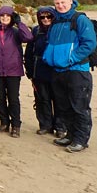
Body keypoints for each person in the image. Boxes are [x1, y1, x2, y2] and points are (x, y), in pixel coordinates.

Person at [43, 0, 96, 153]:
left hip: (77, 71)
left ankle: (81, 140)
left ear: (70, 1)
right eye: (57, 3)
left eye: (63, 2)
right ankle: (70, 135)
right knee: (64, 106)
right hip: (58, 71)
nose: (60, 5)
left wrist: (71, 58)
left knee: (79, 106)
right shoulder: (56, 22)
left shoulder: (80, 19)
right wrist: (48, 57)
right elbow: (50, 43)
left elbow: (89, 43)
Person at [0, 6, 33, 138]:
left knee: (13, 99)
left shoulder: (17, 32)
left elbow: (28, 37)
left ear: (11, 18)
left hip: (13, 71)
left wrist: (19, 23)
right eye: (2, 15)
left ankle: (16, 125)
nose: (5, 18)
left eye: (8, 16)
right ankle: (4, 122)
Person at [24, 7, 65, 136]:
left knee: (59, 100)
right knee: (42, 100)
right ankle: (45, 125)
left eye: (49, 16)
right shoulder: (36, 31)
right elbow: (29, 52)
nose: (46, 19)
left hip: (56, 71)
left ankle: (60, 127)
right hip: (39, 71)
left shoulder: (60, 30)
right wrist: (29, 71)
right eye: (42, 17)